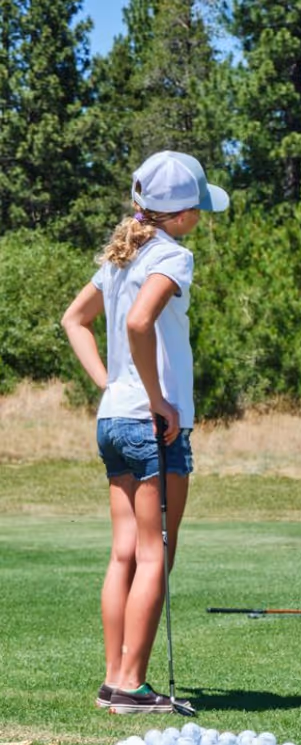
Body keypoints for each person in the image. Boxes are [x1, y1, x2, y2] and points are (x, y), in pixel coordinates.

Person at [62, 151, 229, 713]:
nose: (201, 218)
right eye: (199, 209)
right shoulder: (172, 257)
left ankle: (116, 679)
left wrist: (112, 383)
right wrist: (156, 398)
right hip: (148, 423)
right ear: (180, 214)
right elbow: (138, 322)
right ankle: (132, 686)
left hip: (113, 419)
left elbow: (73, 320)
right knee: (156, 554)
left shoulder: (118, 256)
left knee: (124, 555)